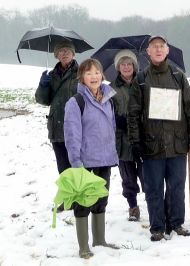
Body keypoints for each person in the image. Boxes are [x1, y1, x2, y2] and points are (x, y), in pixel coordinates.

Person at [127, 35, 190, 241]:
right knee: (154, 189)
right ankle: (157, 227)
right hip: (152, 145)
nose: (158, 49)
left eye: (162, 46)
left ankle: (176, 223)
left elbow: (189, 109)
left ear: (167, 50)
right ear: (148, 52)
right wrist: (135, 141)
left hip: (178, 143)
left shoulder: (179, 77)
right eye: (154, 47)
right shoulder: (140, 79)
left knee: (177, 187)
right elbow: (133, 114)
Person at [64, 59, 119, 259]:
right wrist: (76, 163)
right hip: (85, 162)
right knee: (83, 203)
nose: (94, 76)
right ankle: (83, 246)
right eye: (89, 73)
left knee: (101, 201)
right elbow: (72, 136)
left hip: (105, 159)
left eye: (97, 72)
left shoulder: (109, 99)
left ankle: (100, 240)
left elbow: (111, 129)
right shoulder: (76, 102)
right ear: (82, 77)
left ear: (102, 75)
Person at [35, 41, 78, 212]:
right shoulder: (52, 75)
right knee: (63, 166)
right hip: (57, 126)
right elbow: (43, 100)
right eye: (61, 51)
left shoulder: (82, 72)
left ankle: (80, 198)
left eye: (68, 51)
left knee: (77, 164)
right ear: (56, 55)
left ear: (74, 54)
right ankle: (68, 198)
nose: (64, 53)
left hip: (76, 128)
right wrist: (43, 85)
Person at [111, 49, 144, 222]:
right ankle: (133, 207)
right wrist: (116, 119)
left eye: (129, 63)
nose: (126, 67)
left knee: (148, 176)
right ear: (118, 67)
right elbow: (104, 110)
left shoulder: (143, 83)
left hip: (143, 138)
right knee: (128, 177)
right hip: (122, 141)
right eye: (122, 64)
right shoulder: (110, 88)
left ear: (134, 66)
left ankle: (155, 205)